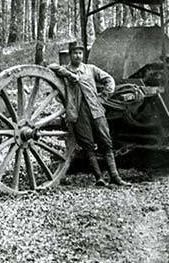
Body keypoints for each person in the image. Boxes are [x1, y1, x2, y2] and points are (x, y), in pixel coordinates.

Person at [49, 41, 130, 187]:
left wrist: (104, 97)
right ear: (70, 55)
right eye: (75, 53)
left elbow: (109, 80)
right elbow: (51, 67)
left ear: (83, 54)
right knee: (88, 145)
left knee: (106, 143)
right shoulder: (65, 71)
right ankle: (99, 178)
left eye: (80, 53)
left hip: (96, 110)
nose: (78, 56)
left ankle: (115, 177)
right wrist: (68, 75)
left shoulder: (90, 69)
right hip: (79, 113)